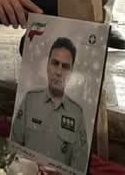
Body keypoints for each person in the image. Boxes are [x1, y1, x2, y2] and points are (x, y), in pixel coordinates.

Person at [11, 38, 89, 172]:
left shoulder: (77, 113)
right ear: (47, 66)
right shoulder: (30, 100)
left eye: (65, 67)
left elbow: (78, 167)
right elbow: (14, 148)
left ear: (71, 72)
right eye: (55, 63)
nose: (58, 72)